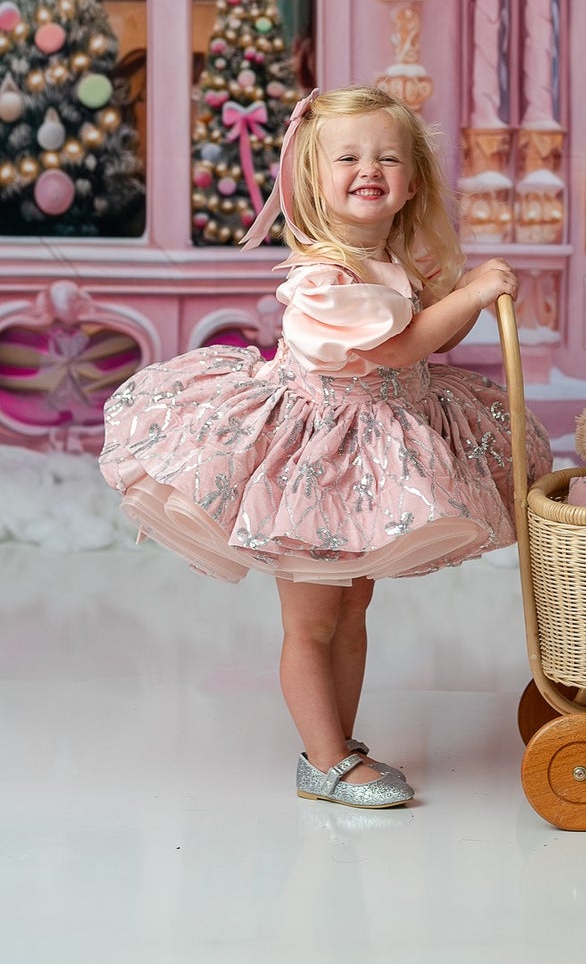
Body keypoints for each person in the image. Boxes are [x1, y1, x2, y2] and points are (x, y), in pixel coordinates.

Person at [100, 85, 550, 810]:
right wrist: (466, 296)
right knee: (310, 620)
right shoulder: (323, 276)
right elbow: (396, 345)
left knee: (352, 609)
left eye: (386, 157)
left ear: (410, 183)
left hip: (363, 458)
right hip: (312, 459)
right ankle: (323, 760)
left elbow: (427, 349)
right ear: (313, 177)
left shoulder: (393, 261)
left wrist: (460, 295)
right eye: (347, 156)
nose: (367, 168)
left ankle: (339, 742)